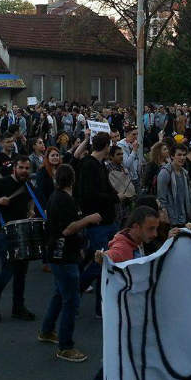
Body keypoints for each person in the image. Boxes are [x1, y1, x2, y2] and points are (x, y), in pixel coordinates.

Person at [72, 206, 166, 380]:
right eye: (150, 229)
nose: (154, 234)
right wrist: (102, 258)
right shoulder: (123, 247)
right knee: (134, 368)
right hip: (127, 321)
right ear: (135, 227)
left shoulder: (136, 242)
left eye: (156, 229)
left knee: (128, 367)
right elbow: (111, 257)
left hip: (134, 318)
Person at [38, 164, 101, 363]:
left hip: (61, 254)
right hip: (64, 256)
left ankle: (47, 330)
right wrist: (89, 219)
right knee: (71, 301)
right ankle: (66, 346)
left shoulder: (57, 197)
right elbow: (67, 229)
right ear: (72, 179)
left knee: (60, 294)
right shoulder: (63, 199)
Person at [0, 155, 37, 322]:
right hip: (6, 233)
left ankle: (18, 307)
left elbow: (31, 200)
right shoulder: (2, 183)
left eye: (27, 168)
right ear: (15, 167)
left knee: (22, 272)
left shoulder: (27, 184)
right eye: (21, 167)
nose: (24, 171)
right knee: (8, 272)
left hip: (24, 232)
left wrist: (31, 210)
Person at [77, 133, 121, 318]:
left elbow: (105, 188)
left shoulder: (99, 164)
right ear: (107, 146)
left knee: (103, 263)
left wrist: (115, 194)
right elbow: (89, 194)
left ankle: (100, 307)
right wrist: (114, 197)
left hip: (107, 221)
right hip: (98, 222)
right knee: (99, 264)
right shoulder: (89, 165)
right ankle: (75, 290)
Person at [157, 144, 191, 227]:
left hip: (185, 219)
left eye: (184, 155)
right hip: (172, 220)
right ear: (172, 156)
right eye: (179, 155)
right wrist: (167, 226)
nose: (182, 158)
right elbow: (161, 201)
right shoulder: (165, 173)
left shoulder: (184, 173)